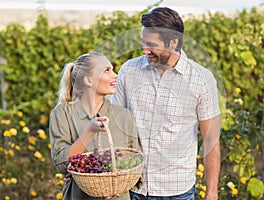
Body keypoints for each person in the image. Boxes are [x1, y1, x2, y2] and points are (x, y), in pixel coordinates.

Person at [110, 7, 221, 200]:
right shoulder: (129, 71)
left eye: (152, 44)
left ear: (173, 42)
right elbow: (114, 127)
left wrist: (211, 193)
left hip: (178, 190)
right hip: (133, 186)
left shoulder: (201, 79)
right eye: (143, 43)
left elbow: (211, 140)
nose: (145, 50)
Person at [49, 52, 139, 200]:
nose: (115, 75)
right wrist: (89, 132)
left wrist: (121, 185)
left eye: (113, 69)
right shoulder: (62, 114)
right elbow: (62, 164)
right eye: (107, 70)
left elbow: (134, 162)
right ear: (88, 80)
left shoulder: (124, 116)